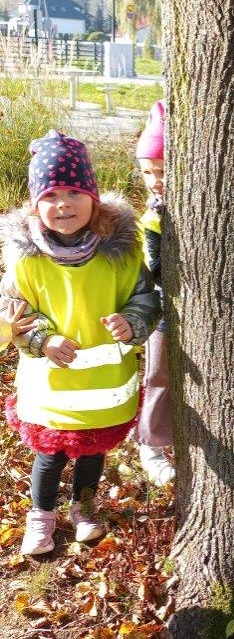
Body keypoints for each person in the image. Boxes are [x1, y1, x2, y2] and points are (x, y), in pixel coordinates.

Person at [0, 130, 160, 556]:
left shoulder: (121, 253)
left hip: (105, 385)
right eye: (50, 195)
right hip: (51, 387)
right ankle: (41, 517)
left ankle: (85, 509)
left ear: (94, 198)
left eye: (74, 192)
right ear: (35, 205)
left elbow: (145, 298)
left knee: (93, 452)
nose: (63, 204)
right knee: (50, 455)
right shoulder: (26, 260)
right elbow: (12, 311)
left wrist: (132, 321)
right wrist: (42, 338)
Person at [133, 100, 175, 486]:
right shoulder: (154, 214)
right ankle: (150, 445)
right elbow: (156, 267)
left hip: (189, 310)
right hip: (162, 308)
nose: (154, 180)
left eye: (161, 170)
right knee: (158, 373)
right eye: (147, 171)